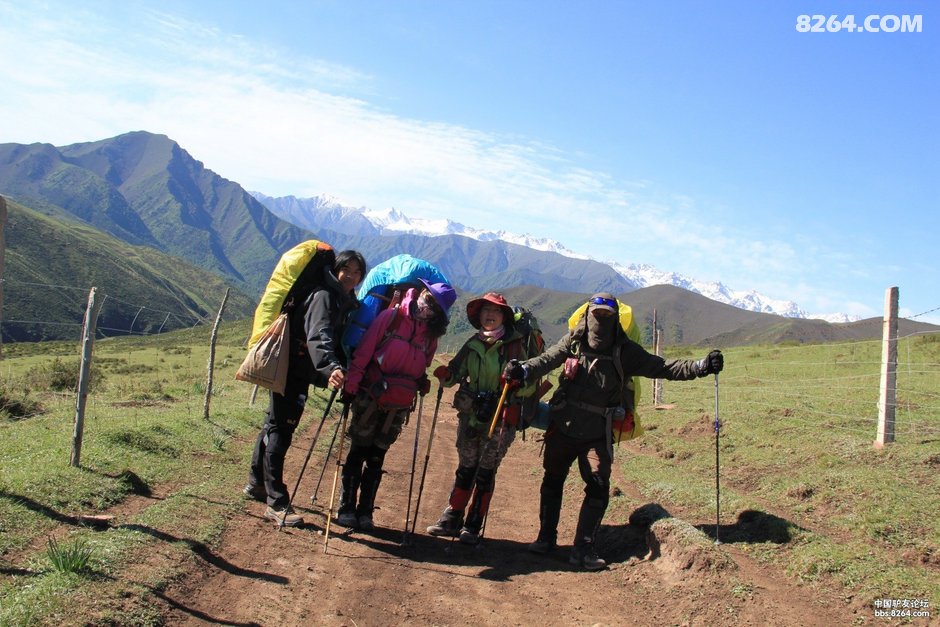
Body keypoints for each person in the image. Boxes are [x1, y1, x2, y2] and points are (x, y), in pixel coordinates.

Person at [503, 293, 724, 570]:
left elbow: (663, 367)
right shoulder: (573, 342)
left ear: (615, 320)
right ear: (587, 316)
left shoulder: (625, 351)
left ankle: (582, 548)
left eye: (605, 317)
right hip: (563, 426)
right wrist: (522, 370)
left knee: (597, 487)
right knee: (553, 481)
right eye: (596, 316)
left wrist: (700, 367)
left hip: (595, 433)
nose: (600, 322)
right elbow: (547, 360)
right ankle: (546, 538)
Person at [244, 250, 367, 527]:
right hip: (291, 368)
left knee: (273, 424)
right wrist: (331, 367)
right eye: (346, 269)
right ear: (336, 269)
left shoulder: (343, 300)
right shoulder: (325, 297)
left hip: (294, 367)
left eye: (358, 272)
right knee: (281, 430)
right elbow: (318, 336)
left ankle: (256, 482)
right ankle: (276, 503)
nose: (352, 276)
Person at [339, 278, 456, 530]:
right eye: (430, 297)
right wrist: (351, 386)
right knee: (359, 450)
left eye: (436, 305)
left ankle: (365, 511)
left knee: (377, 455)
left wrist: (422, 381)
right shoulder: (391, 317)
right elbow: (364, 353)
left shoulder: (431, 335)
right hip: (370, 395)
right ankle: (346, 507)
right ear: (422, 291)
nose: (430, 305)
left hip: (398, 405)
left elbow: (423, 364)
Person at [426, 292, 537, 545]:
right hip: (472, 416)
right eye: (486, 310)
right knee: (466, 467)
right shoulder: (472, 343)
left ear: (504, 317)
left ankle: (473, 524)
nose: (489, 315)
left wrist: (516, 383)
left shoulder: (516, 346)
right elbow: (455, 372)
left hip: (500, 417)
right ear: (479, 316)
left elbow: (531, 384)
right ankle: (453, 516)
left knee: (486, 470)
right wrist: (445, 375)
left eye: (496, 311)